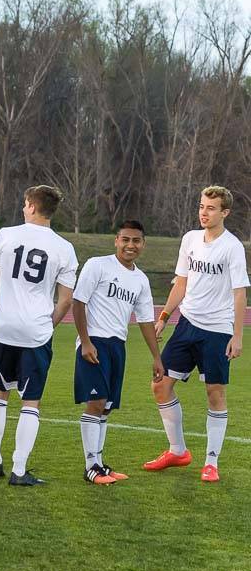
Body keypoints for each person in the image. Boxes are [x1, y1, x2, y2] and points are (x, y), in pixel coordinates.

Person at [144, 186, 248, 482]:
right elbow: (181, 283)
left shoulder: (232, 247)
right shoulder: (190, 239)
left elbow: (239, 294)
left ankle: (211, 462)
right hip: (186, 325)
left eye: (211, 208)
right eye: (202, 206)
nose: (204, 212)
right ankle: (178, 451)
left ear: (224, 212)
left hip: (217, 331)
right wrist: (164, 317)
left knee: (214, 393)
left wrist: (237, 336)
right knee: (160, 386)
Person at [0, 185, 78, 486]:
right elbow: (65, 300)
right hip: (36, 332)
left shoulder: (5, 235)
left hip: (3, 328)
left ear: (30, 206)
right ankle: (19, 470)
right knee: (30, 402)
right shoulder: (64, 248)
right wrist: (47, 324)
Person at [73, 221, 163, 484]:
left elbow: (146, 321)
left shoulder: (141, 280)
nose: (130, 245)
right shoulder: (97, 265)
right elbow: (79, 303)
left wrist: (157, 357)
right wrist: (85, 341)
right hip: (95, 343)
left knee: (107, 407)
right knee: (96, 403)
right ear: (116, 240)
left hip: (117, 346)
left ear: (143, 244)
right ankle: (91, 467)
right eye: (125, 239)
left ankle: (100, 464)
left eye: (136, 241)